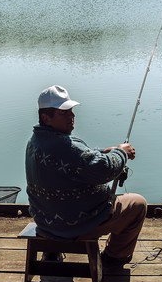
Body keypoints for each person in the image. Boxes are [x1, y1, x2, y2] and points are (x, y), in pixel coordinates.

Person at [25, 85, 147, 268]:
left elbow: (80, 159)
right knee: (138, 204)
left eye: (71, 111)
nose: (72, 116)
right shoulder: (65, 146)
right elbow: (103, 170)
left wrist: (105, 151)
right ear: (46, 118)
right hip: (75, 223)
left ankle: (51, 250)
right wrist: (122, 153)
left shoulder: (35, 141)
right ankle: (114, 258)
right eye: (64, 113)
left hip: (45, 219)